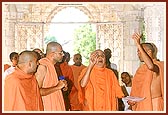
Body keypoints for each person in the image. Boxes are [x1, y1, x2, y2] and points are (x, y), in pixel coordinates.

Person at [127, 32, 164, 111]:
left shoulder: (159, 66)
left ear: (149, 52)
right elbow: (138, 90)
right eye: (138, 52)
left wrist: (138, 44)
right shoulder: (141, 69)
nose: (138, 54)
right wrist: (133, 100)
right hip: (142, 104)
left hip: (155, 104)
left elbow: (150, 66)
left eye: (140, 51)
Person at [35, 42, 67, 111]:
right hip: (46, 107)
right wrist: (57, 87)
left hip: (56, 105)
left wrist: (62, 86)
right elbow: (37, 91)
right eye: (60, 53)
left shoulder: (54, 66)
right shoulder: (42, 66)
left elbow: (52, 86)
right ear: (52, 54)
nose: (63, 55)